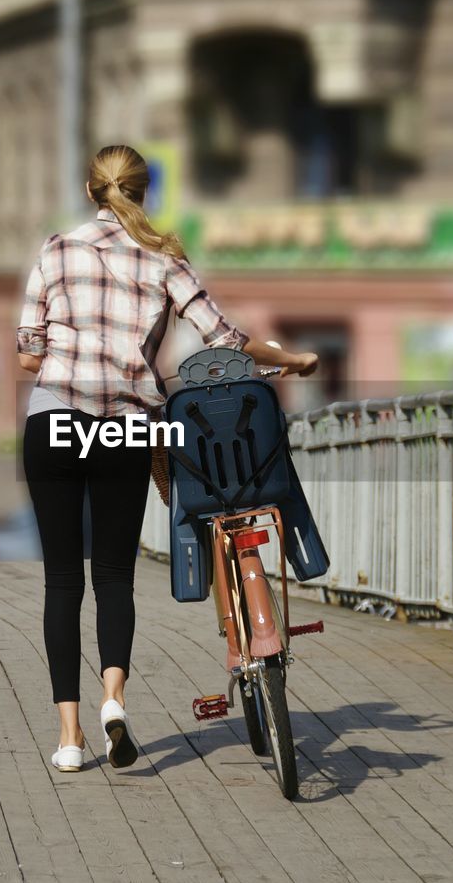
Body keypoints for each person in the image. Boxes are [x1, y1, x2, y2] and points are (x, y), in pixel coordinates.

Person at [16, 144, 318, 773]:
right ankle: (113, 700)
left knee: (63, 581)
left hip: (53, 421)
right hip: (124, 427)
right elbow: (226, 341)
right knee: (114, 577)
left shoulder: (54, 249)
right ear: (143, 191)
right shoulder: (163, 257)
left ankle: (70, 739)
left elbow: (28, 353)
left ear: (90, 188)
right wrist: (290, 359)